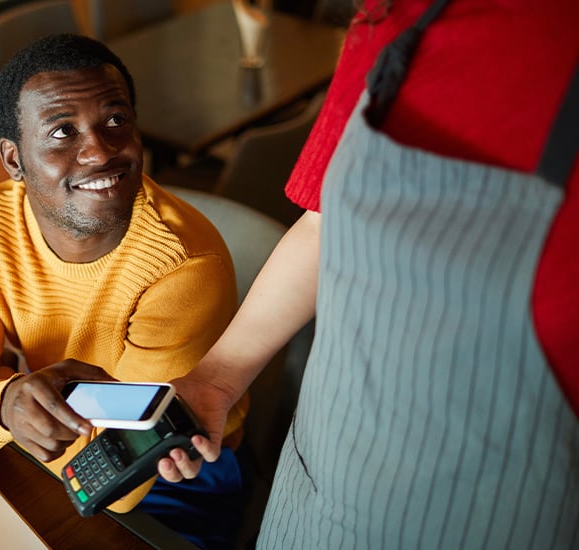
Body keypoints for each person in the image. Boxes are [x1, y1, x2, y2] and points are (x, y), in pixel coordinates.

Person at [159, 0, 579, 547]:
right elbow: (322, 224)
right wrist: (219, 376)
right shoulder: (397, 19)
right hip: (322, 473)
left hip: (497, 513)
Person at [0, 34, 249, 548]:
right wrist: (5, 402)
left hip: (178, 473)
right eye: (62, 130)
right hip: (61, 438)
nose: (99, 152)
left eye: (115, 120)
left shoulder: (181, 266)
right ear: (14, 159)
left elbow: (120, 488)